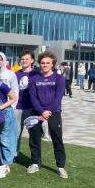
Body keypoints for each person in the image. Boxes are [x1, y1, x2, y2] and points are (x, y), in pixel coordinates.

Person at [27, 51, 68, 179]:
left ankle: (61, 166)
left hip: (54, 111)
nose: (44, 65)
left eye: (47, 63)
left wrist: (48, 111)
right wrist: (41, 112)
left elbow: (58, 97)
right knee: (34, 138)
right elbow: (33, 98)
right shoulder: (34, 79)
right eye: (43, 63)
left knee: (57, 138)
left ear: (52, 64)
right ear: (40, 64)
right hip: (37, 112)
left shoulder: (59, 79)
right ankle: (35, 163)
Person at [15, 50, 36, 154]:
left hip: (31, 108)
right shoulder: (15, 74)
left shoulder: (36, 74)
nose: (24, 61)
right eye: (22, 59)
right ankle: (15, 153)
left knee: (33, 134)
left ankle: (34, 158)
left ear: (32, 60)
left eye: (26, 59)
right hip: (17, 108)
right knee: (16, 133)